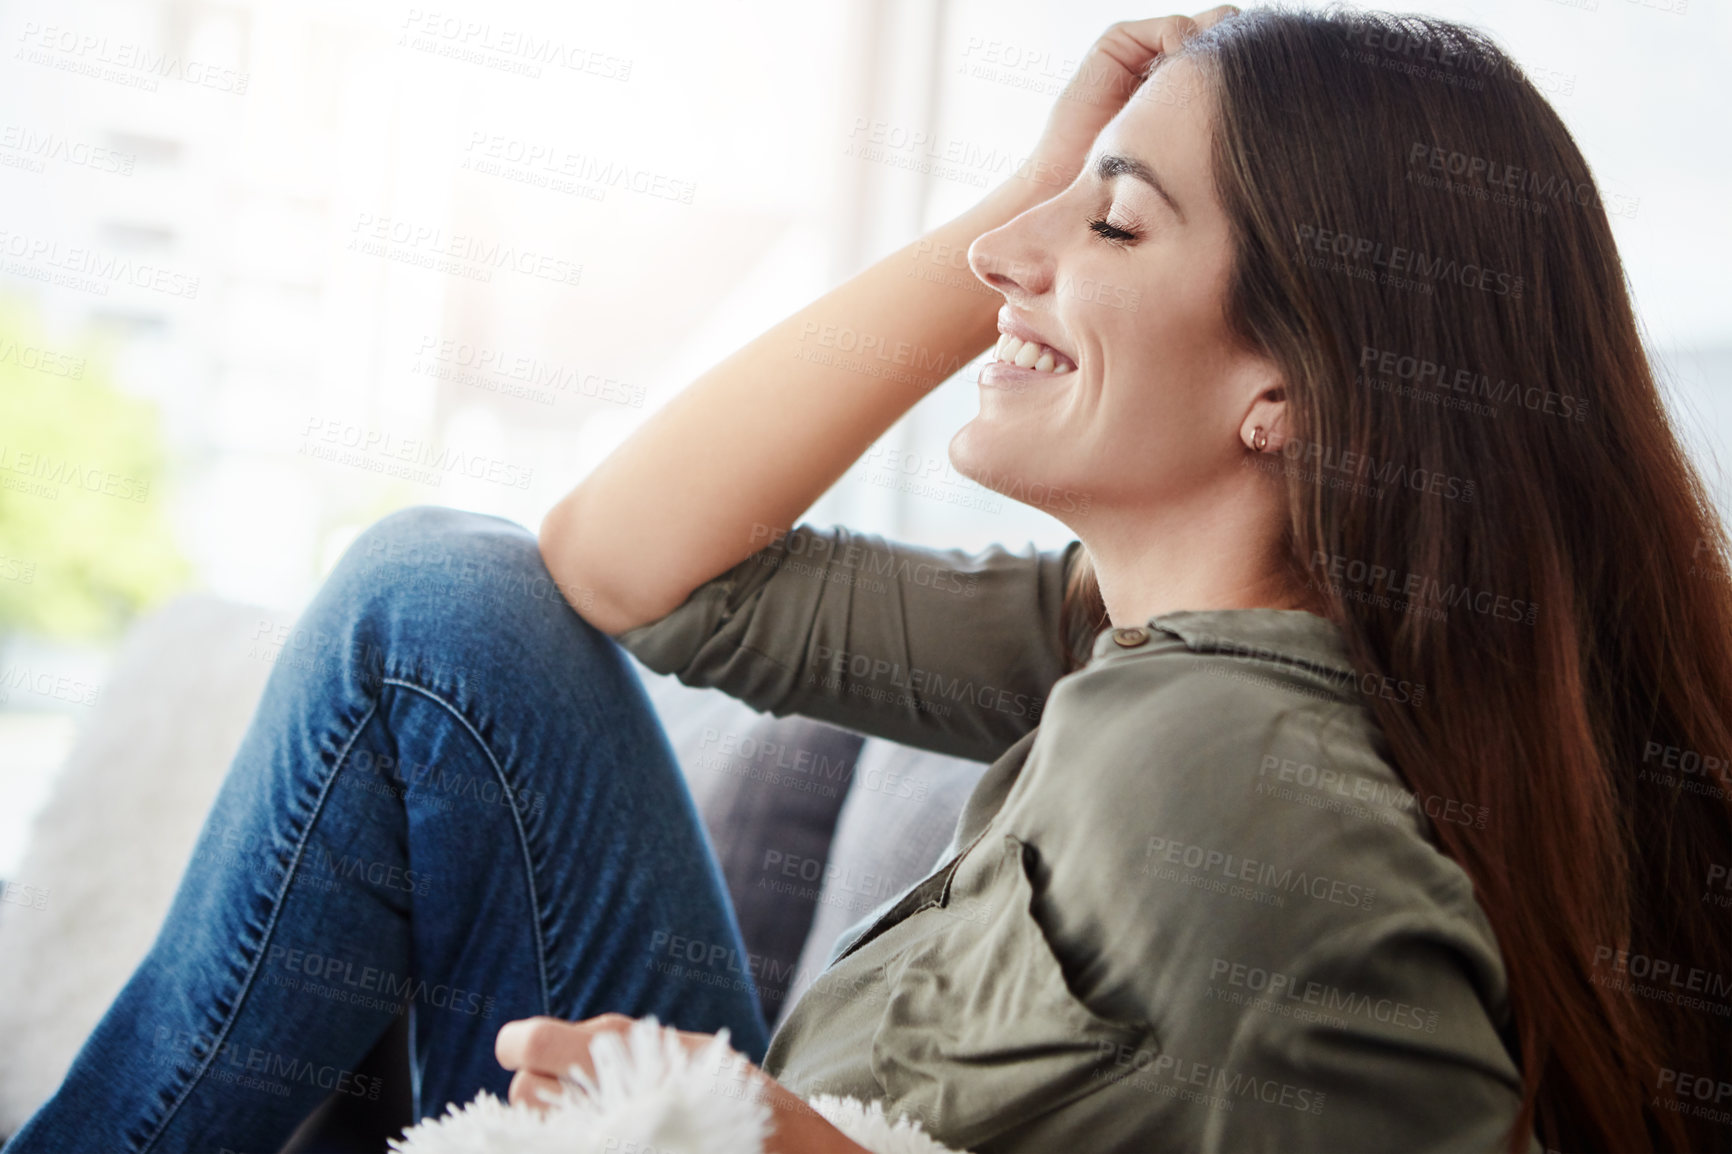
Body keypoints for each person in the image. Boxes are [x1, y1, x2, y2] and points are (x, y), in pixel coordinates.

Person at [9, 6, 1731, 1153]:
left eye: (1111, 225)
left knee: (424, 615)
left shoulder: (1246, 784)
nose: (1007, 255)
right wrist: (1023, 190)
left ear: (1291, 388)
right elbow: (625, 566)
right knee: (448, 608)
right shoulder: (1115, 637)